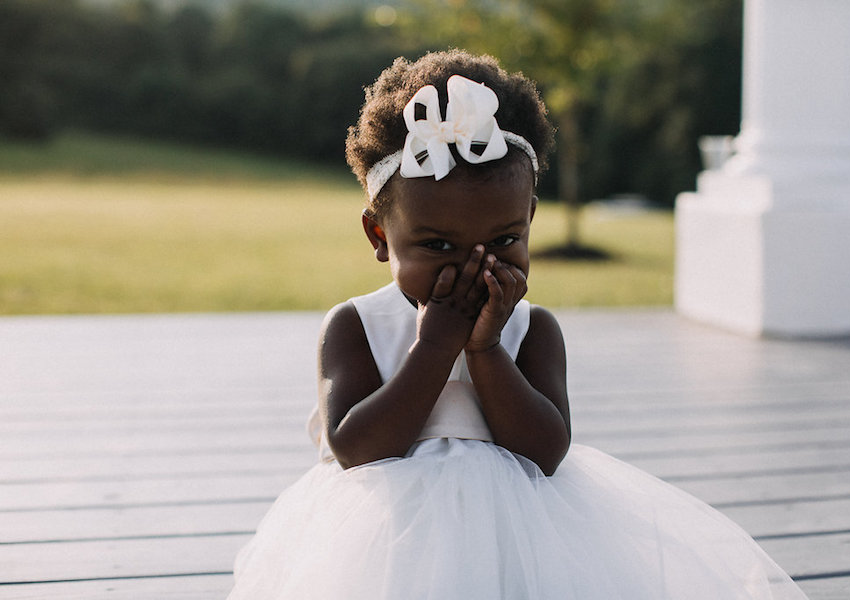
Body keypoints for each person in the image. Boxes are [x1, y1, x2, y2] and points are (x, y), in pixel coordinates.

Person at [227, 49, 809, 600]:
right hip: (386, 538)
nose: (476, 264)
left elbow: (544, 451)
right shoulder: (356, 325)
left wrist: (484, 352)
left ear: (530, 220)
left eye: (505, 240)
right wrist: (434, 346)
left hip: (524, 533)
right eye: (436, 245)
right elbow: (356, 450)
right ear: (380, 237)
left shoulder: (532, 330)